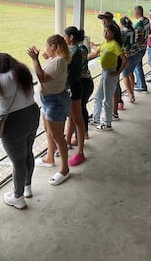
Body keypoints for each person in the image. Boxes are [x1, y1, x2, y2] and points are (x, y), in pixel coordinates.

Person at [0, 52, 40, 210]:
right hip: (32, 113)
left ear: (0, 65)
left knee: (18, 161)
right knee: (28, 152)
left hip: (13, 121)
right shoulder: (22, 71)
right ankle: (27, 187)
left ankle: (18, 197)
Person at [28, 35, 72, 185]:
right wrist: (46, 58)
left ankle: (65, 168)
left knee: (58, 137)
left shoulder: (59, 61)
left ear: (53, 46)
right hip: (48, 100)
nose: (45, 49)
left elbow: (42, 77)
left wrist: (35, 59)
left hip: (56, 102)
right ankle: (49, 158)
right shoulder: (55, 59)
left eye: (47, 46)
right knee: (49, 131)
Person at [88, 22, 126, 131]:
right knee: (98, 96)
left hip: (110, 73)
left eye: (107, 31)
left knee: (107, 99)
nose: (105, 33)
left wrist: (118, 72)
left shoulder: (114, 45)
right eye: (104, 31)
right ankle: (96, 118)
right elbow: (95, 54)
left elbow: (124, 60)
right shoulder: (105, 42)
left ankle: (107, 123)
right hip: (104, 72)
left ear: (113, 34)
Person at [63, 27, 88, 167]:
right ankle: (67, 142)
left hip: (74, 88)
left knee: (77, 119)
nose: (64, 38)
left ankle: (80, 152)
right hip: (72, 87)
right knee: (72, 118)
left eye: (65, 36)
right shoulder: (73, 50)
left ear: (71, 37)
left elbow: (66, 69)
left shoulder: (75, 51)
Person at [132, 6, 151, 93]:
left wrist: (136, 48)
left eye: (134, 12)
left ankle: (142, 86)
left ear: (137, 13)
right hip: (144, 46)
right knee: (138, 66)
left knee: (138, 67)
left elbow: (139, 39)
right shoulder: (146, 20)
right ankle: (140, 83)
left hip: (139, 49)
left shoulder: (139, 24)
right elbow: (149, 32)